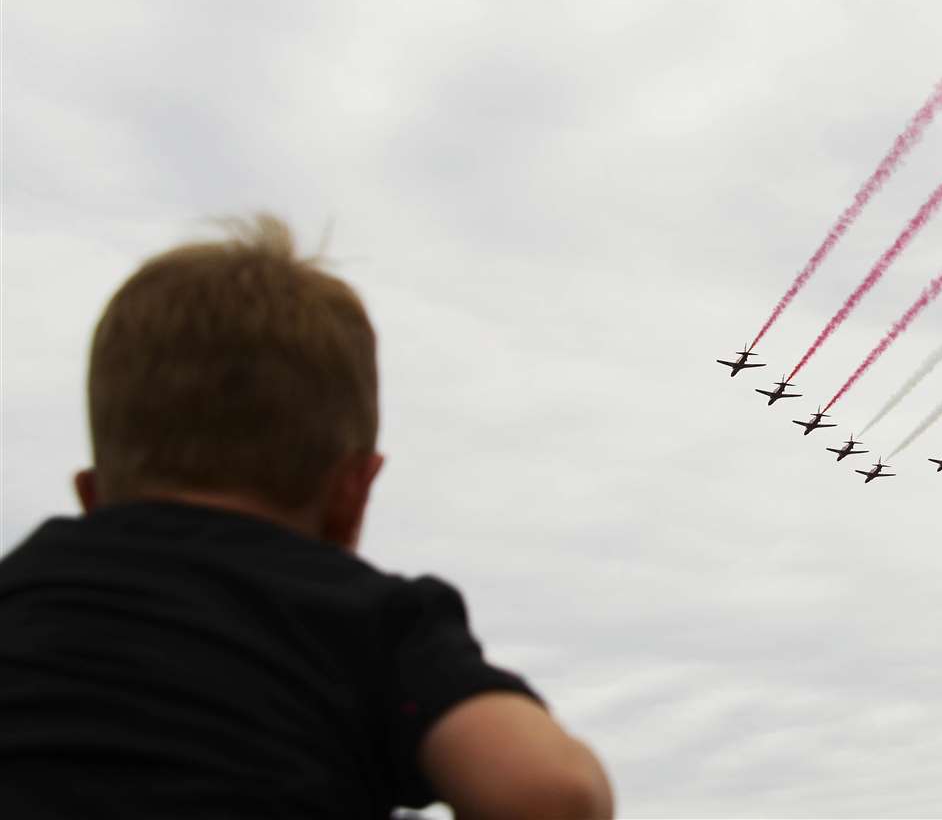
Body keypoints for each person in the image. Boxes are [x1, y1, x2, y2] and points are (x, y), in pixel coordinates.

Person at [0, 214, 613, 819]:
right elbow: (554, 794)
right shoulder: (368, 622)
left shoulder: (19, 595)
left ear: (90, 495)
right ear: (354, 492)